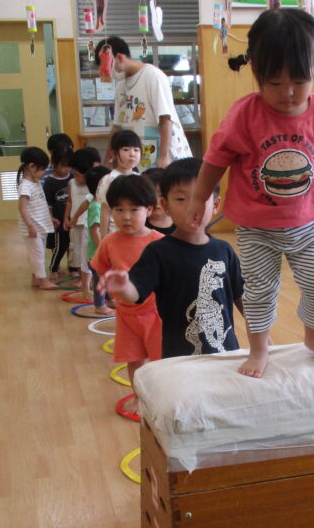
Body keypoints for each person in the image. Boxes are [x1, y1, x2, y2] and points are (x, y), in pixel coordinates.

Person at [187, 8, 314, 378]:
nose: (288, 93)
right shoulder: (244, 115)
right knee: (259, 292)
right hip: (257, 228)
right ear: (256, 73)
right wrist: (199, 197)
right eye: (275, 83)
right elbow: (216, 159)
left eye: (299, 81)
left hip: (308, 224)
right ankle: (259, 347)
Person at [99, 157, 245, 359]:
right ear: (165, 205)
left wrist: (262, 339)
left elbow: (241, 296)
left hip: (225, 353)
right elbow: (135, 293)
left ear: (215, 204)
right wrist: (124, 286)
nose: (191, 207)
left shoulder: (224, 250)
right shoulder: (158, 252)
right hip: (178, 358)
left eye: (200, 197)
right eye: (181, 199)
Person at [89, 175, 164, 399]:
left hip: (156, 314)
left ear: (148, 210)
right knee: (134, 360)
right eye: (119, 209)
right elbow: (99, 266)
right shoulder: (109, 241)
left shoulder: (158, 242)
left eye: (133, 209)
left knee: (161, 362)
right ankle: (139, 398)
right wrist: (109, 288)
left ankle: (161, 399)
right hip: (126, 315)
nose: (126, 216)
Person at [94, 36, 192, 168]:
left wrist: (164, 157)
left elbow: (165, 118)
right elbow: (116, 127)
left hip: (164, 155)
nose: (107, 74)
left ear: (120, 58)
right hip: (138, 157)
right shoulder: (121, 87)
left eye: (107, 68)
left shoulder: (152, 76)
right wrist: (107, 161)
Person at [16, 147, 57, 290]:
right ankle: (43, 281)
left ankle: (35, 278)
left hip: (40, 226)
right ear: (31, 166)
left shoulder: (36, 183)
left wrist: (50, 218)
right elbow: (22, 208)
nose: (45, 172)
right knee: (38, 254)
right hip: (33, 228)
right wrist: (30, 226)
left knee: (38, 253)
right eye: (43, 169)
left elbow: (41, 205)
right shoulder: (25, 186)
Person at [65, 149, 99, 298]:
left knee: (91, 256)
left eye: (79, 174)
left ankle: (91, 284)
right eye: (75, 174)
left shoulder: (97, 185)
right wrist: (71, 218)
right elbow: (80, 203)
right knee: (82, 256)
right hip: (82, 226)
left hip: (94, 227)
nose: (76, 177)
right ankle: (85, 285)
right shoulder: (74, 184)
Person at [43, 137, 73, 281]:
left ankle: (73, 268)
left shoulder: (73, 178)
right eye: (62, 165)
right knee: (59, 246)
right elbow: (48, 204)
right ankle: (54, 268)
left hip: (72, 220)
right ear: (54, 164)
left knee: (73, 245)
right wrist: (51, 218)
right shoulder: (49, 182)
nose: (66, 169)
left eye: (69, 165)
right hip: (59, 221)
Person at [85, 165, 112, 316]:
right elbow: (94, 230)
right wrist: (102, 250)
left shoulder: (99, 204)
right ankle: (99, 305)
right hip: (96, 252)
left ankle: (108, 300)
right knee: (99, 279)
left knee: (105, 277)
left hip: (96, 251)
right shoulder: (96, 206)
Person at [141, 166, 174, 235]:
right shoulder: (140, 223)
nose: (156, 201)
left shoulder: (179, 223)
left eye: (162, 195)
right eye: (152, 196)